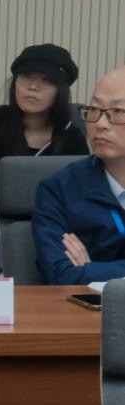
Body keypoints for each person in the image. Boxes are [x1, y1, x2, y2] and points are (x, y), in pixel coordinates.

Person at [0, 44, 88, 273]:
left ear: (60, 91)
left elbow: (81, 204)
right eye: (26, 77)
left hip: (55, 247)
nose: (33, 87)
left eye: (46, 80)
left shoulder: (73, 140)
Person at [32, 65, 125, 285]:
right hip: (87, 306)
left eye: (118, 112)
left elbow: (79, 275)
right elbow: (61, 274)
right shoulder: (58, 189)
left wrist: (90, 270)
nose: (100, 124)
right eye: (94, 109)